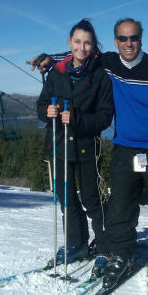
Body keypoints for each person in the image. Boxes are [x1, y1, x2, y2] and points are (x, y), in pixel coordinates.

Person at [31, 18, 148, 293]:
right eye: (122, 38)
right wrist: (49, 58)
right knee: (120, 206)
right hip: (125, 147)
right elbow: (78, 54)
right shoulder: (109, 62)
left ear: (141, 38)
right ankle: (121, 252)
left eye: (133, 38)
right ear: (116, 40)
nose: (128, 44)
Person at [35, 19, 113, 280]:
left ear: (93, 45)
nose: (82, 47)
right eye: (77, 41)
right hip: (58, 144)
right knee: (66, 199)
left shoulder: (100, 74)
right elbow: (42, 104)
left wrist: (77, 119)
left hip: (85, 146)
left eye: (87, 42)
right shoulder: (56, 72)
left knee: (92, 199)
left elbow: (104, 117)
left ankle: (105, 247)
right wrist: (47, 112)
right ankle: (77, 243)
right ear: (69, 43)